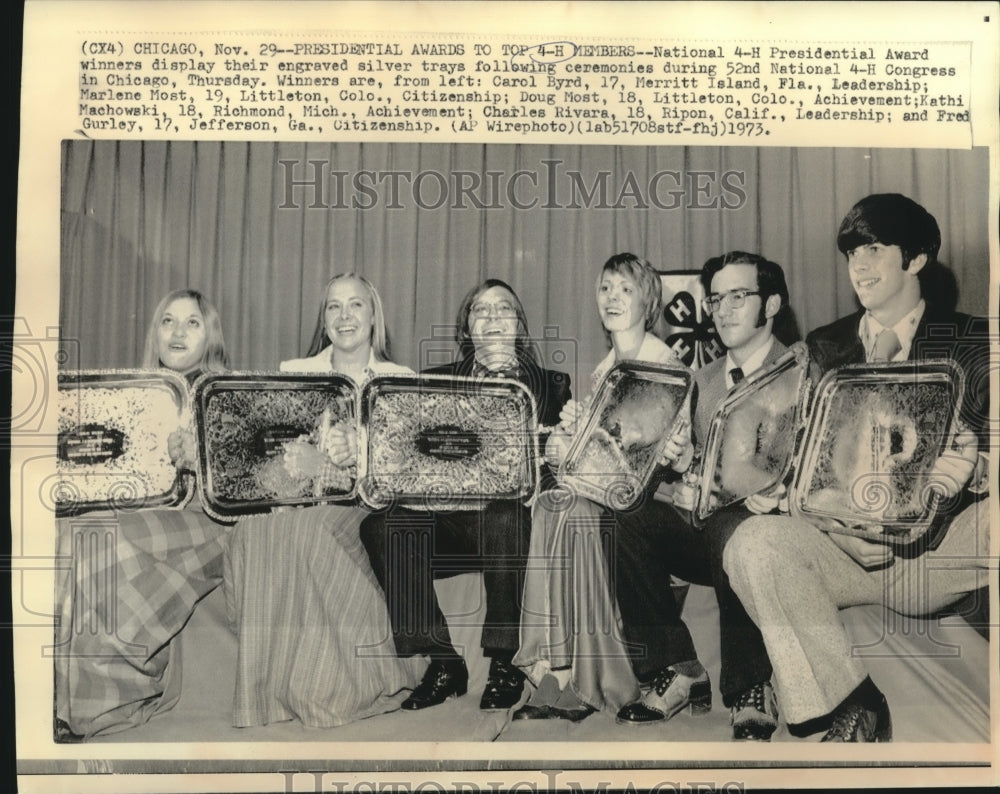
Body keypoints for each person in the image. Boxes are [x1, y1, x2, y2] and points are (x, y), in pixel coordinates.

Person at [723, 194, 990, 742]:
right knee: (751, 543)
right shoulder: (824, 345)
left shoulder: (975, 340)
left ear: (916, 259)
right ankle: (854, 701)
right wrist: (820, 520)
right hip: (847, 554)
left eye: (873, 249)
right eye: (851, 253)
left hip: (934, 552)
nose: (859, 267)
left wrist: (975, 468)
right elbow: (801, 465)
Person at [223, 273, 424, 728]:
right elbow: (270, 450)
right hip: (295, 499)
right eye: (334, 306)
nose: (345, 315)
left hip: (364, 505)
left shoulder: (399, 380)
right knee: (255, 527)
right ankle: (266, 695)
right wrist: (300, 462)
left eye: (356, 305)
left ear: (374, 317)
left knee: (306, 531)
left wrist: (342, 462)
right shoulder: (293, 372)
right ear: (324, 318)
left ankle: (326, 688)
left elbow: (403, 471)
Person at [360, 279, 571, 711]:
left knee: (504, 514)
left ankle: (506, 663)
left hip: (511, 530)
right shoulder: (432, 381)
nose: (492, 318)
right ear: (467, 328)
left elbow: (558, 469)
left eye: (503, 309)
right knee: (383, 525)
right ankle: (443, 663)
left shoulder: (552, 385)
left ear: (519, 325)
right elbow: (406, 452)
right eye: (480, 310)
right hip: (450, 524)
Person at [608, 252, 794, 740]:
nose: (723, 309)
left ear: (771, 303)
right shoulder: (700, 379)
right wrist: (683, 458)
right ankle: (679, 668)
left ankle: (752, 685)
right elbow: (688, 473)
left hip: (773, 535)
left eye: (739, 296)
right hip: (707, 528)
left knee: (736, 527)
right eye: (715, 299)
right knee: (626, 511)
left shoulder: (802, 372)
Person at [512, 252, 697, 723]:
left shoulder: (666, 365)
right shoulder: (602, 370)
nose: (613, 298)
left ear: (647, 300)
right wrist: (563, 441)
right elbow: (589, 456)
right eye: (605, 289)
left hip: (649, 502)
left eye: (625, 289)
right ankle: (557, 666)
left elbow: (656, 460)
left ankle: (593, 680)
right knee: (550, 503)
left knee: (572, 509)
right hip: (603, 493)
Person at [54, 289, 231, 740]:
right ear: (155, 333)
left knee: (103, 539)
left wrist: (203, 458)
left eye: (192, 322)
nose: (178, 332)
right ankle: (60, 696)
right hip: (144, 513)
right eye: (168, 321)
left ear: (210, 334)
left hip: (206, 519)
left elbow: (253, 477)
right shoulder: (133, 395)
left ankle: (102, 707)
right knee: (71, 531)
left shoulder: (225, 392)